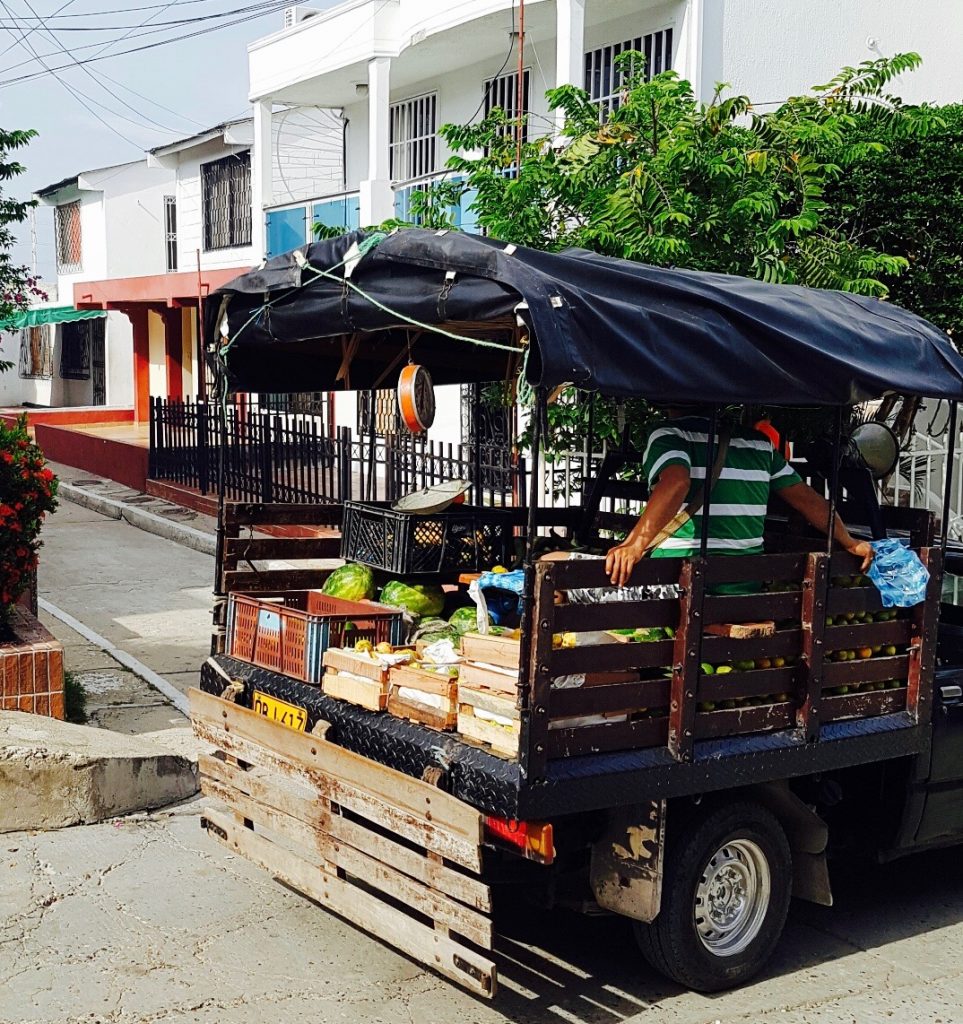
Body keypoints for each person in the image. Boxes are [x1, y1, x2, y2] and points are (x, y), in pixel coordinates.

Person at [605, 410, 874, 588]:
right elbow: (811, 502)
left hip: (677, 585)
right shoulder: (759, 444)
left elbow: (676, 483)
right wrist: (849, 541)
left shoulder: (669, 435)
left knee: (563, 563)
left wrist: (635, 545)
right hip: (745, 588)